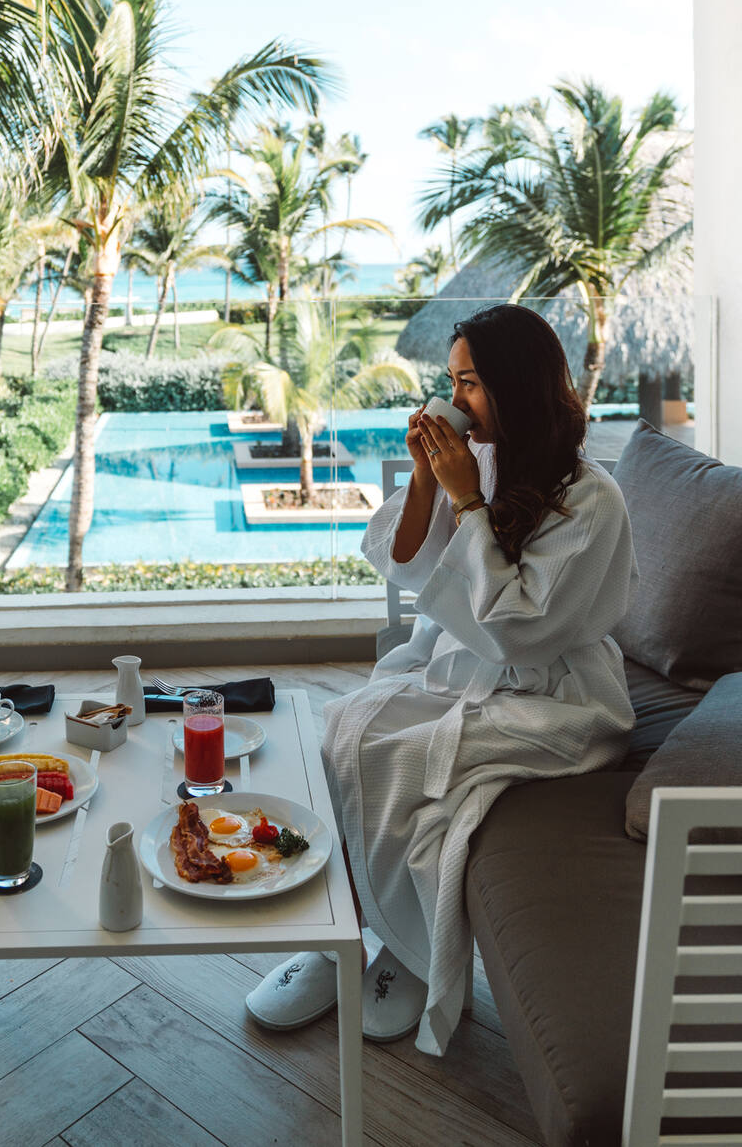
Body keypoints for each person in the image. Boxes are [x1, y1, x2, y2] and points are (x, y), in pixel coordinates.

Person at [245, 303, 638, 1055]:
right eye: (451, 382)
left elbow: (520, 627)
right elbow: (406, 563)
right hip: (468, 665)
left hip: (551, 694)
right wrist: (429, 479)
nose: (456, 401)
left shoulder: (591, 499)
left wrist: (466, 500)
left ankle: (405, 952)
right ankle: (346, 938)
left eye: (471, 385)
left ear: (517, 387)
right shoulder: (485, 458)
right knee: (337, 731)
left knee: (390, 759)